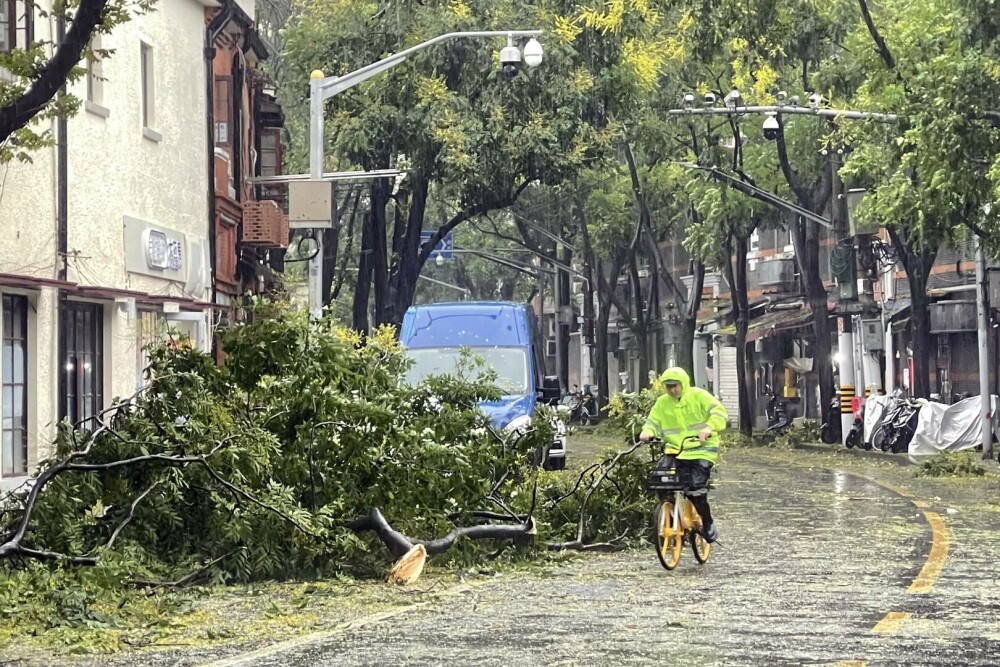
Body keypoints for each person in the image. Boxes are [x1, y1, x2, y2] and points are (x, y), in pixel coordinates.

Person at [639, 367, 728, 543]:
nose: (672, 390)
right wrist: (646, 432)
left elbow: (719, 412)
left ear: (683, 384)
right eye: (668, 387)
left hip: (702, 449)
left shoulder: (699, 395)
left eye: (675, 386)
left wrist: (709, 427)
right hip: (675, 450)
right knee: (661, 480)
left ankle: (707, 521)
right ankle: (670, 513)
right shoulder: (662, 403)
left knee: (695, 488)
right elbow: (652, 422)